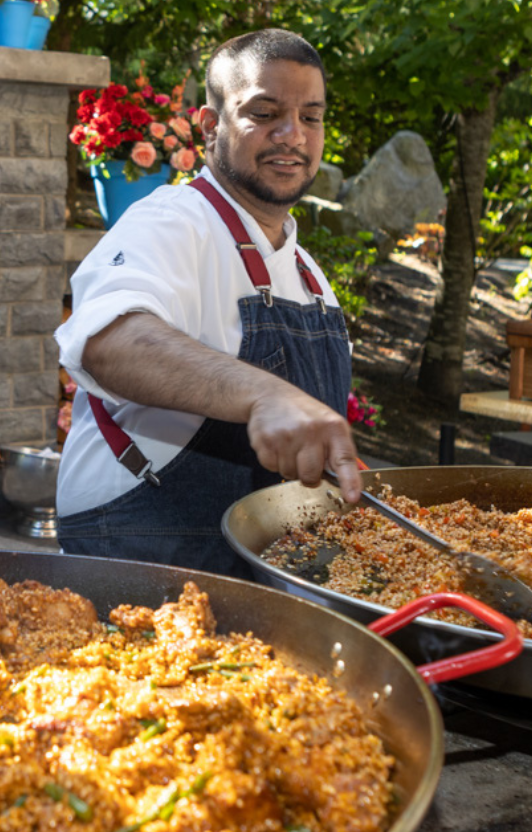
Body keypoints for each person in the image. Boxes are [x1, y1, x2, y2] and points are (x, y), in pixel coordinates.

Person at [55, 29, 362, 576]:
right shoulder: (172, 220)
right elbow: (108, 340)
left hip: (266, 557)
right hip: (147, 545)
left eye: (311, 117)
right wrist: (263, 394)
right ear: (209, 125)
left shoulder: (312, 278)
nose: (292, 135)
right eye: (264, 113)